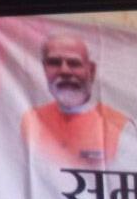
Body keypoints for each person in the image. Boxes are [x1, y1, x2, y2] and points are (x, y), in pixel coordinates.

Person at [20, 33, 131, 168]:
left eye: (74, 63)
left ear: (91, 70)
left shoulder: (121, 126)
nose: (64, 71)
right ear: (44, 68)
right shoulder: (31, 121)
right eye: (54, 63)